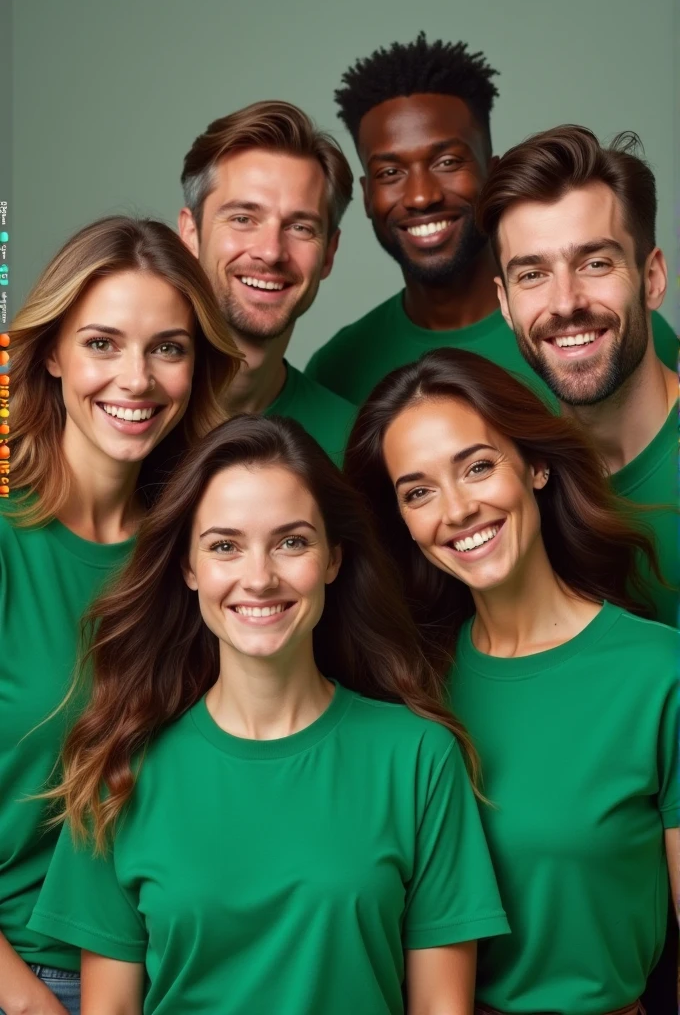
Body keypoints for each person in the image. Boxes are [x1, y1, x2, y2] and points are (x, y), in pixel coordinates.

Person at [29, 414, 508, 1014]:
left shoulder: (417, 757)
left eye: (291, 541)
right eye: (225, 546)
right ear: (188, 567)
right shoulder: (119, 772)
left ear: (333, 558)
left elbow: (441, 1007)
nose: (258, 578)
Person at [344, 347, 679, 1015]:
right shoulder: (403, 689)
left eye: (476, 466)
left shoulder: (658, 675)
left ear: (536, 464)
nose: (458, 508)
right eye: (418, 491)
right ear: (402, 524)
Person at [0, 216, 240, 1015]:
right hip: (27, 976)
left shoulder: (205, 561)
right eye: (102, 343)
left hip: (172, 971)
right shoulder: (6, 547)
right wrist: (29, 1001)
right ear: (53, 355)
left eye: (167, 348)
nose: (135, 379)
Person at [305, 33, 677, 405]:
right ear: (367, 195)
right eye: (390, 173)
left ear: (491, 172)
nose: (421, 196)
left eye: (447, 162)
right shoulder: (337, 370)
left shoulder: (618, 327)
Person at [476, 124, 677, 632]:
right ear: (505, 303)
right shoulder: (517, 496)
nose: (565, 303)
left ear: (651, 279)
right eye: (532, 275)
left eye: (595, 262)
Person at [178, 101, 357, 464]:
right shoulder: (126, 417)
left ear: (329, 253)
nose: (272, 252)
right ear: (190, 234)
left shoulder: (356, 444)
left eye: (300, 227)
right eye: (243, 218)